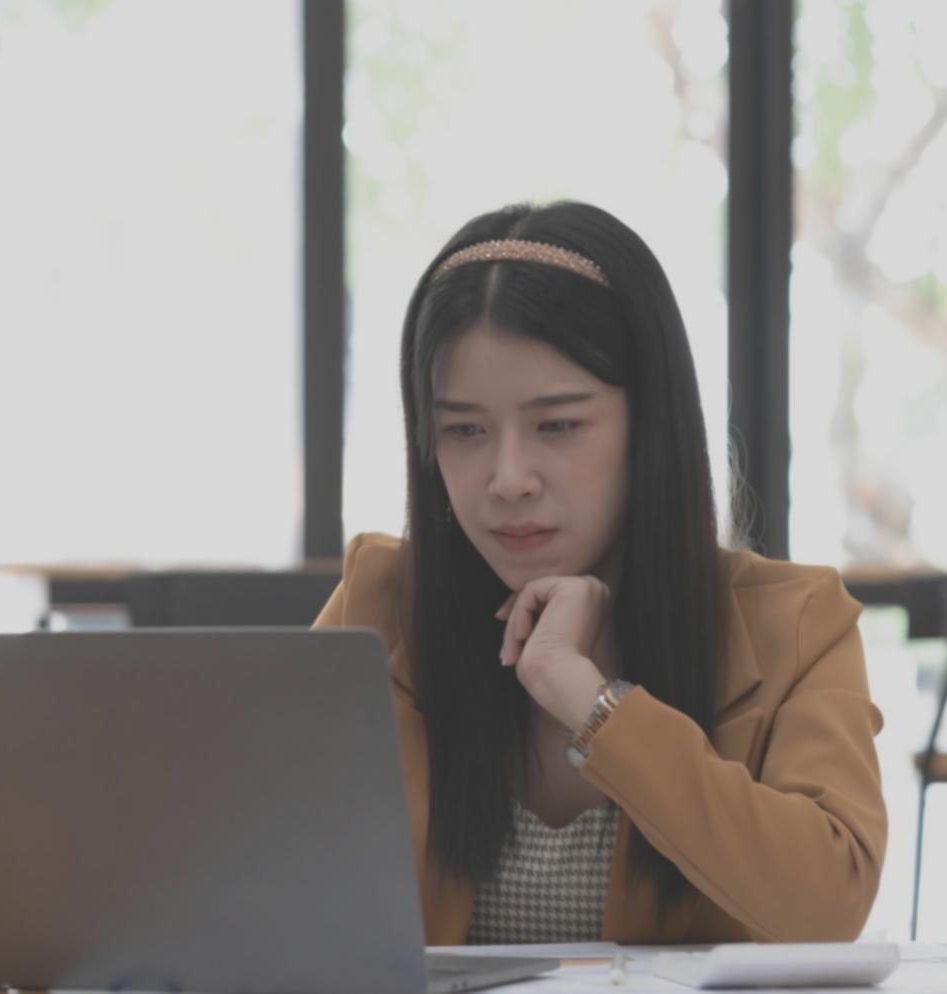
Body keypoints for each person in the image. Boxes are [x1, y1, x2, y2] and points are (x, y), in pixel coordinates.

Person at [312, 201, 885, 946]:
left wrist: (592, 703)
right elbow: (251, 878)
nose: (508, 478)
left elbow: (827, 908)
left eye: (558, 426)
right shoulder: (380, 604)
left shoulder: (798, 626)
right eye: (464, 430)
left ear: (649, 427)